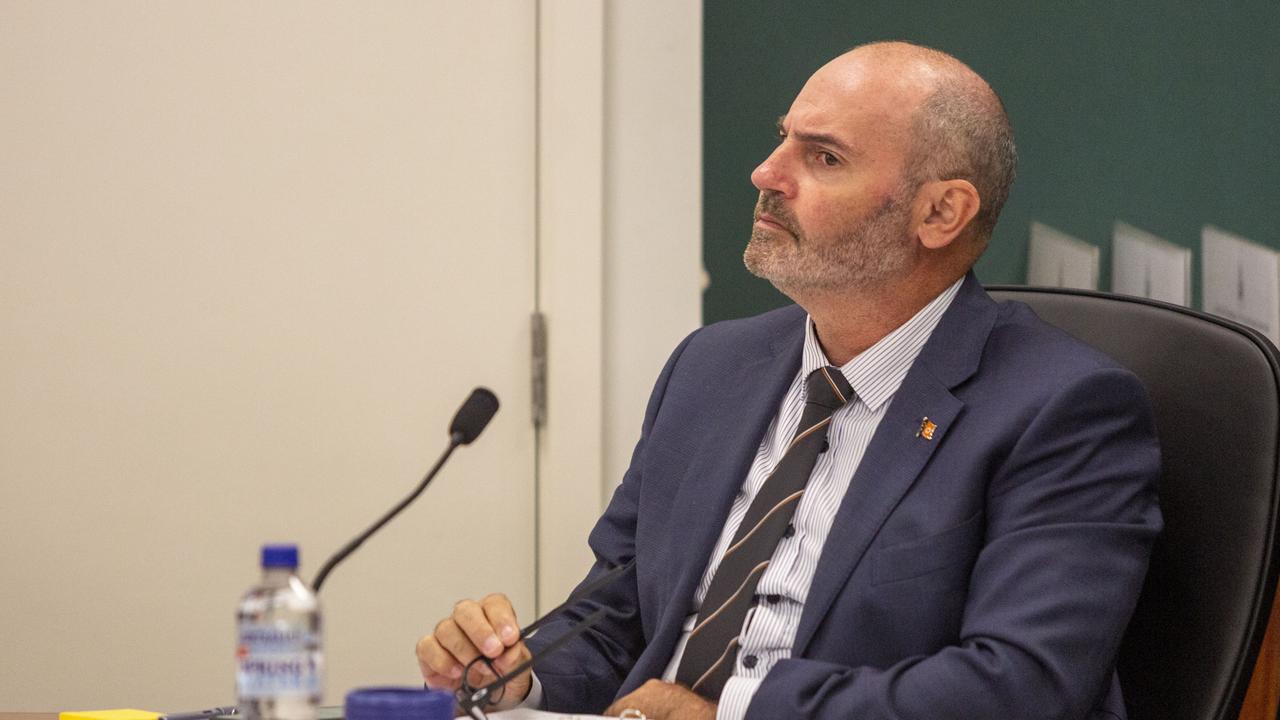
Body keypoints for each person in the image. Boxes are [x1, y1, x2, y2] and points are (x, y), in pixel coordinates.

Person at [416, 41, 1162, 720]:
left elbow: (1019, 687)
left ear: (940, 212)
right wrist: (519, 670)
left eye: (824, 158)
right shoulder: (710, 368)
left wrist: (733, 712)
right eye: (783, 139)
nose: (767, 174)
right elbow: (617, 619)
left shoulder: (1062, 410)